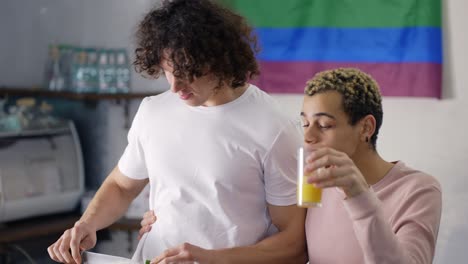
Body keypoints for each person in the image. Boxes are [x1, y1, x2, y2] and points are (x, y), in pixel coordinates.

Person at [47, 0, 307, 263]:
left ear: (221, 60)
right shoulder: (153, 111)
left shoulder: (275, 129)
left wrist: (211, 258)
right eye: (168, 72)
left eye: (187, 73)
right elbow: (122, 185)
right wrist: (88, 224)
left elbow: (294, 244)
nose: (175, 87)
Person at [141, 67, 443, 263]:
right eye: (305, 123)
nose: (308, 137)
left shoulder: (417, 189)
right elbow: (265, 231)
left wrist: (360, 195)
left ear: (366, 128)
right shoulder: (313, 185)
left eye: (324, 125)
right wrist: (168, 219)